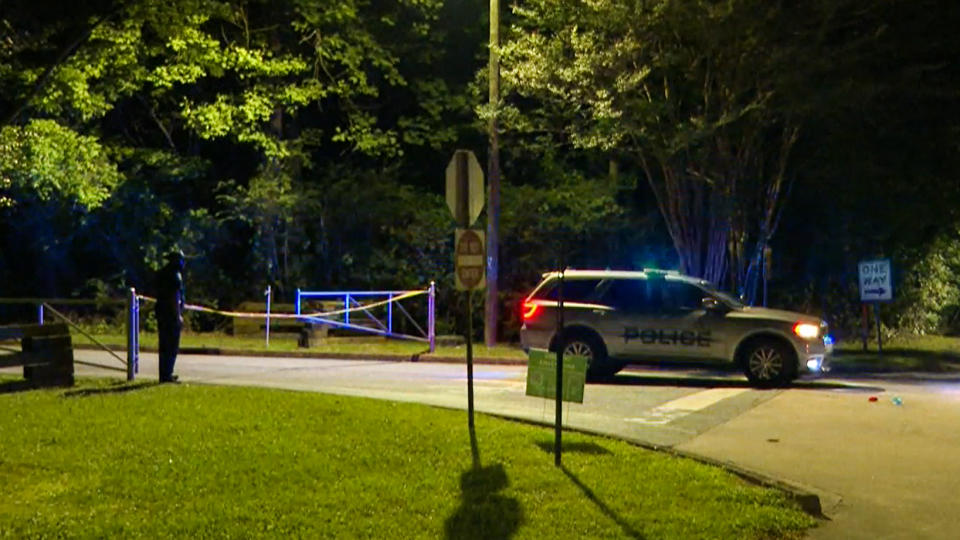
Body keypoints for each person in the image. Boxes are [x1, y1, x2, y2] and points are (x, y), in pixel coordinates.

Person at [156, 250, 185, 383]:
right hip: (171, 315)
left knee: (163, 345)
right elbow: (175, 297)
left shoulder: (162, 274)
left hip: (161, 314)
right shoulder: (175, 276)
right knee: (172, 346)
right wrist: (178, 315)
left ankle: (164, 373)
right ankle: (167, 373)